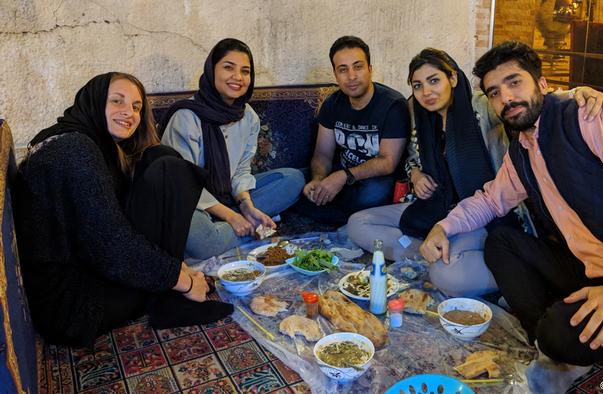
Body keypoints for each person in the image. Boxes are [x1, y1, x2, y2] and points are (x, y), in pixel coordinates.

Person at [422, 41, 603, 393]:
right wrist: (443, 226)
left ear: (541, 84)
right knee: (502, 242)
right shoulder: (523, 148)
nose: (506, 98)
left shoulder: (588, 117)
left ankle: (557, 338)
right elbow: (492, 200)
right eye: (494, 92)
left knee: (560, 331)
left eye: (514, 82)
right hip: (593, 272)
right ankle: (550, 337)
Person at [348, 48, 603, 297]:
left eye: (434, 80)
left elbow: (531, 101)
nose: (426, 92)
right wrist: (416, 173)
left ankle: (508, 271)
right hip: (435, 208)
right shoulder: (418, 112)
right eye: (418, 86)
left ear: (452, 78)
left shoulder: (480, 105)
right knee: (357, 224)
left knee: (448, 274)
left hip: (485, 212)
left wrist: (579, 93)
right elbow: (411, 157)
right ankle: (429, 253)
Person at [14, 72, 233, 347]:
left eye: (136, 106)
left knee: (159, 159)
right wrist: (183, 281)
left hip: (85, 270)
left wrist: (176, 269)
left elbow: (107, 232)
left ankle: (171, 282)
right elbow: (111, 246)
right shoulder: (75, 150)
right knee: (168, 168)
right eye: (117, 101)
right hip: (72, 307)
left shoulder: (77, 141)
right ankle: (170, 298)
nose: (128, 113)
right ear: (94, 102)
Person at [160, 38, 304, 260]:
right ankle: (248, 229)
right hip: (190, 200)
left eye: (245, 71)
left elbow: (240, 171)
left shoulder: (248, 117)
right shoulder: (186, 117)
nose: (238, 77)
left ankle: (240, 226)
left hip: (228, 193)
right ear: (211, 70)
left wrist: (246, 207)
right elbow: (182, 183)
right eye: (228, 67)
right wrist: (230, 216)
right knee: (201, 242)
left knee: (293, 179)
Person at [293, 36, 410, 226]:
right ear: (335, 74)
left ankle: (333, 213)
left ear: (370, 69)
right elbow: (322, 154)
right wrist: (319, 179)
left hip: (377, 179)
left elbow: (387, 163)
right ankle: (343, 215)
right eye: (343, 69)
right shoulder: (332, 104)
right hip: (343, 177)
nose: (351, 76)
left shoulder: (393, 105)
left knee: (373, 194)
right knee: (295, 182)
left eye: (358, 66)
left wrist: (342, 177)